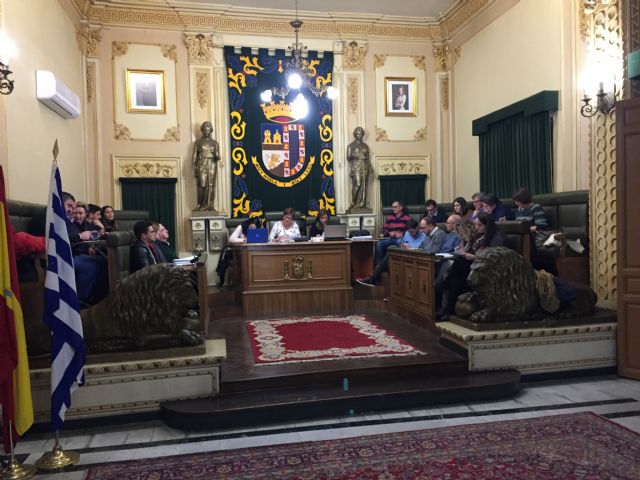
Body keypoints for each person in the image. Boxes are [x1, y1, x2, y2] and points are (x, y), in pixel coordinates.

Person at [440, 213, 505, 320]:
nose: (476, 227)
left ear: (487, 225)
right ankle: (448, 309)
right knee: (456, 279)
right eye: (475, 225)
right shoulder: (481, 236)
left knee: (459, 264)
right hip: (475, 266)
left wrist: (474, 257)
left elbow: (494, 258)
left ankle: (447, 304)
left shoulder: (497, 237)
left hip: (488, 269)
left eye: (479, 225)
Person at [61, 192, 108, 306]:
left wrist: (90, 243)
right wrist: (81, 237)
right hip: (67, 255)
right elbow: (71, 237)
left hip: (74, 252)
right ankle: (80, 300)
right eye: (70, 207)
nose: (74, 213)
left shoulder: (68, 220)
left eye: (78, 212)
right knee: (93, 265)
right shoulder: (59, 219)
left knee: (103, 260)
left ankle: (98, 297)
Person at [356, 219, 424, 286]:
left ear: (417, 228)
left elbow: (422, 250)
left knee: (387, 260)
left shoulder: (423, 235)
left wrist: (409, 249)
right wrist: (402, 246)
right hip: (405, 255)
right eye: (409, 232)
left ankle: (373, 278)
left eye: (412, 232)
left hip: (415, 257)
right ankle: (375, 278)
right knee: (389, 254)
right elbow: (402, 244)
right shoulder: (407, 233)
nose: (411, 234)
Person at [193, 121, 221, 211]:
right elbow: (194, 156)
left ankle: (210, 205)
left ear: (211, 131)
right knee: (202, 184)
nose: (206, 132)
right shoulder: (198, 142)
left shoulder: (215, 143)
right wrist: (195, 167)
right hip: (201, 164)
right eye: (205, 130)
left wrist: (217, 156)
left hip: (212, 164)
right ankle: (200, 205)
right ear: (202, 130)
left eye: (208, 130)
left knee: (211, 184)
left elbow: (218, 156)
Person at [375, 200, 412, 265]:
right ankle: (379, 265)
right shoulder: (389, 218)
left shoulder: (407, 218)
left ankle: (398, 264)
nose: (393, 209)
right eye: (392, 207)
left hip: (401, 238)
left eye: (395, 207)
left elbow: (411, 230)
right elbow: (384, 230)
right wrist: (389, 233)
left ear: (401, 207)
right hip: (390, 238)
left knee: (399, 242)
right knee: (378, 244)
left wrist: (401, 234)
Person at [346, 127, 372, 212]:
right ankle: (353, 202)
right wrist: (355, 155)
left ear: (363, 134)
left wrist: (371, 168)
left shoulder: (365, 146)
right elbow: (348, 157)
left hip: (365, 166)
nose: (359, 135)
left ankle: (362, 204)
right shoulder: (351, 145)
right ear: (355, 134)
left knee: (364, 185)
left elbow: (368, 158)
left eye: (360, 133)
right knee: (357, 184)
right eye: (357, 133)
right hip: (356, 166)